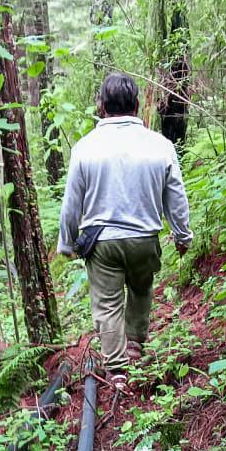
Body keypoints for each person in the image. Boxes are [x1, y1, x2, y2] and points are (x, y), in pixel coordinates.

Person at [57, 71, 193, 385]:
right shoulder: (160, 145)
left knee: (106, 303)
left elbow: (72, 203)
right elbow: (176, 195)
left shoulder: (85, 148)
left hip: (102, 243)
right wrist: (182, 235)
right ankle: (134, 344)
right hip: (145, 238)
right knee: (141, 289)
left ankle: (117, 371)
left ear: (101, 106)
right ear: (136, 104)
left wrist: (66, 242)